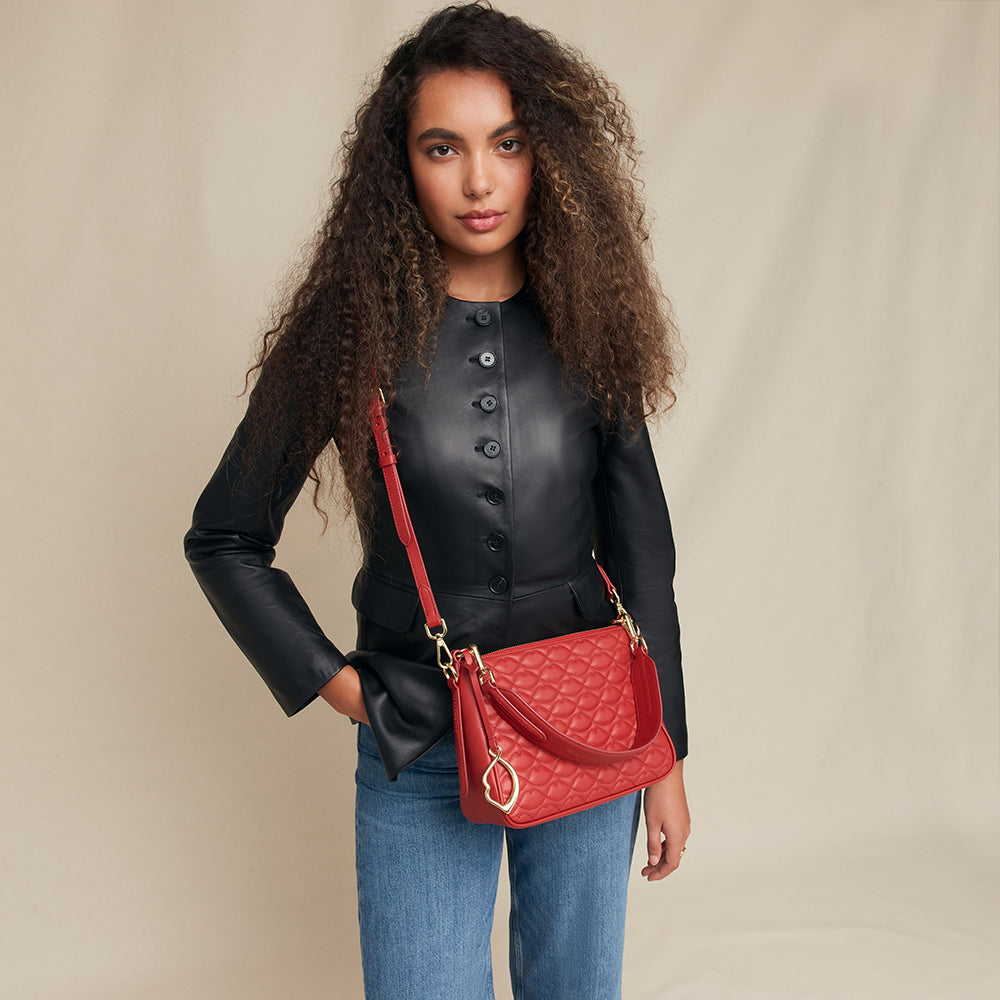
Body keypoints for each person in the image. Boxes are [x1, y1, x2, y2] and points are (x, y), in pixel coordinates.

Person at [184, 3, 690, 997]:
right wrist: (346, 689)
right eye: (441, 147)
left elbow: (644, 562)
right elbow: (227, 535)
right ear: (399, 167)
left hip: (588, 719)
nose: (478, 179)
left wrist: (665, 749)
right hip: (417, 738)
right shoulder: (346, 336)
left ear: (545, 153)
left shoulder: (592, 322)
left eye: (506, 142)